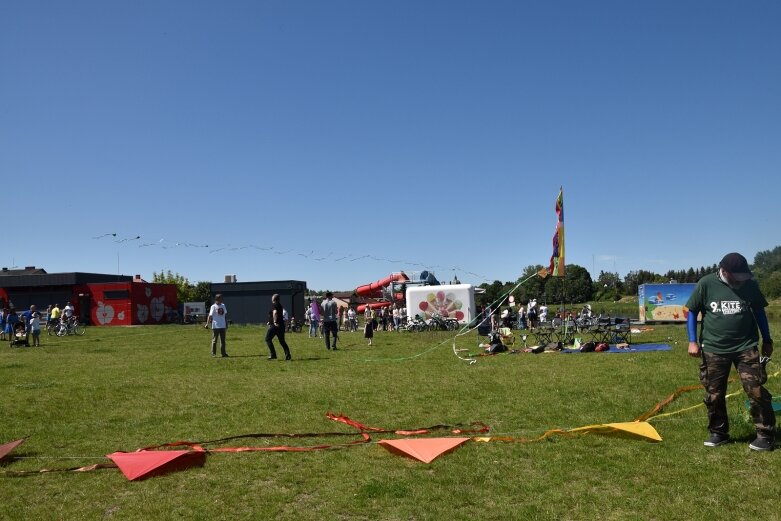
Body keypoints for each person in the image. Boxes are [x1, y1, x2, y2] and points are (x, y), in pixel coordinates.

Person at [686, 252, 775, 451]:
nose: (740, 281)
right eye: (737, 276)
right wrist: (692, 341)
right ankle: (719, 432)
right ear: (724, 271)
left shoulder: (750, 285)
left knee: (756, 390)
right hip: (713, 348)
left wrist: (767, 339)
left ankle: (766, 435)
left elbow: (760, 311)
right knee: (714, 393)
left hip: (746, 346)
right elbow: (692, 311)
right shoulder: (706, 283)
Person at [265, 294, 291, 360]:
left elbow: (275, 313)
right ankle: (288, 355)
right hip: (281, 326)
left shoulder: (274, 305)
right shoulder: (280, 305)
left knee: (267, 339)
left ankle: (273, 354)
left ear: (274, 299)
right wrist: (270, 321)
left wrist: (274, 322)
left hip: (275, 326)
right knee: (282, 341)